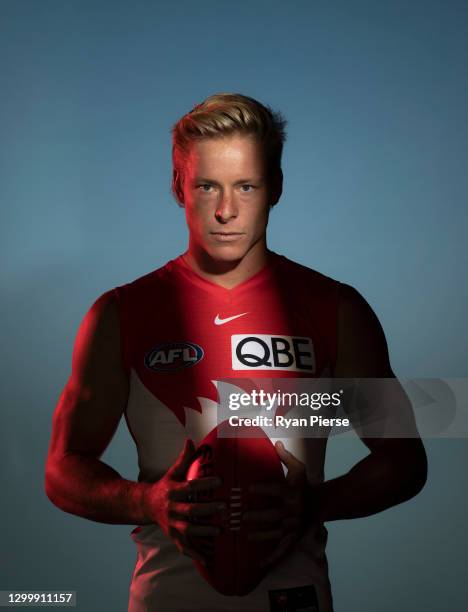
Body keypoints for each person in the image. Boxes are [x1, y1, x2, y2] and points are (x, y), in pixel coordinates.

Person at [45, 93, 427, 612]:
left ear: (276, 188)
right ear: (179, 187)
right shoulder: (121, 313)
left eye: (246, 186)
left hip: (293, 598)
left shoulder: (337, 309)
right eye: (207, 187)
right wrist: (148, 501)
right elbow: (62, 470)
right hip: (166, 599)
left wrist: (317, 503)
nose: (226, 210)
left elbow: (405, 459)